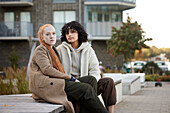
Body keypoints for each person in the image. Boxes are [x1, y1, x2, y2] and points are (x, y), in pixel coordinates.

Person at [29, 24, 108, 113]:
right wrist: (70, 78)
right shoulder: (41, 50)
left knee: (91, 80)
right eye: (47, 34)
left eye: (53, 33)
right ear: (42, 38)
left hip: (56, 81)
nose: (51, 36)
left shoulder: (53, 50)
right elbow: (47, 69)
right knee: (86, 89)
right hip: (47, 85)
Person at [57, 21, 117, 113]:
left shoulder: (88, 49)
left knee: (108, 82)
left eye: (73, 32)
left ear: (79, 33)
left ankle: (111, 111)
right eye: (67, 33)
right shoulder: (60, 49)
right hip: (71, 84)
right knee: (89, 82)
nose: (69, 35)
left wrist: (93, 85)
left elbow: (95, 69)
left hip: (88, 82)